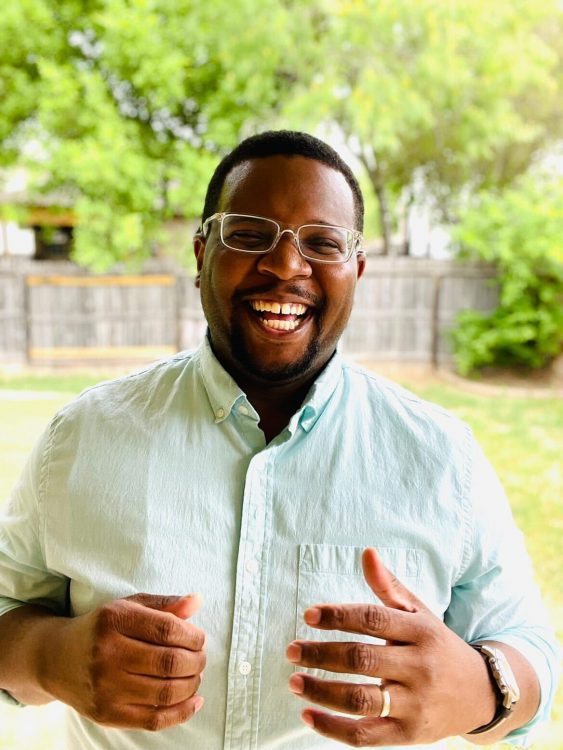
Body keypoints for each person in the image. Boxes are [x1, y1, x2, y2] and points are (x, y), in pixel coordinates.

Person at [0, 130, 558, 750]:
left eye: (322, 243)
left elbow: (530, 647)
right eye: (247, 234)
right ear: (200, 253)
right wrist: (49, 656)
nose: (286, 266)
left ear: (358, 271)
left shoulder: (442, 458)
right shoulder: (81, 438)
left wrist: (483, 690)